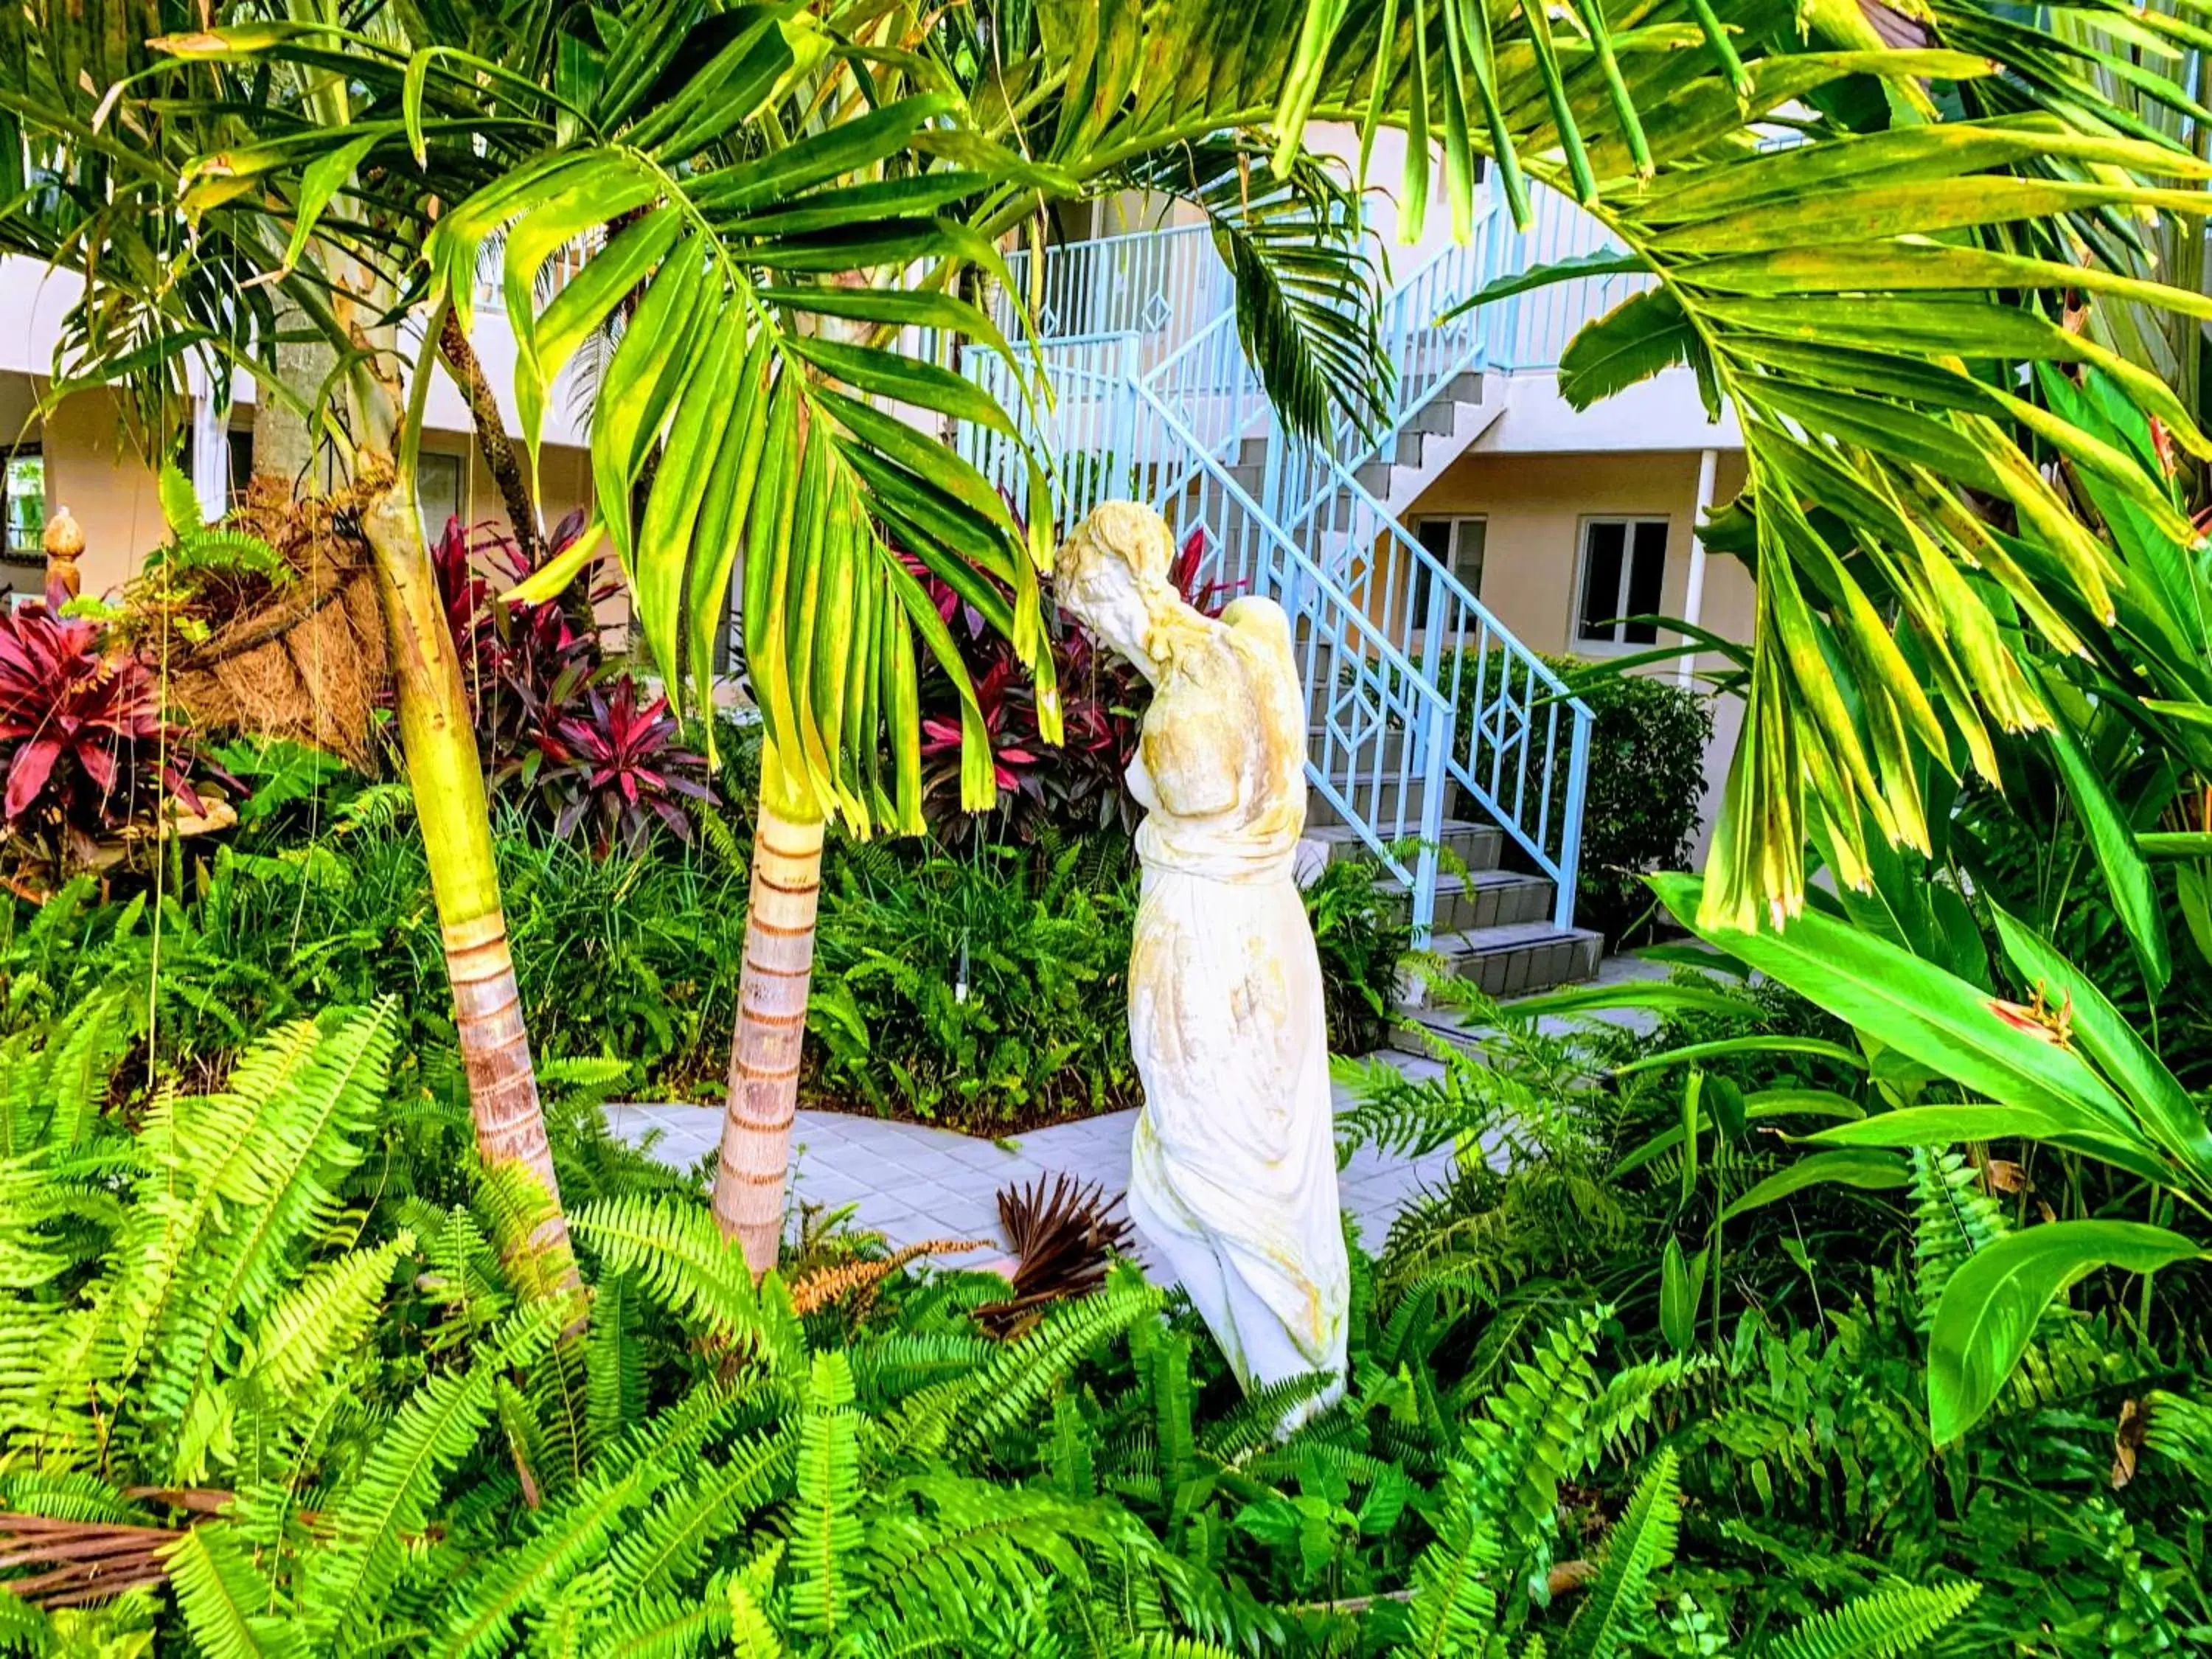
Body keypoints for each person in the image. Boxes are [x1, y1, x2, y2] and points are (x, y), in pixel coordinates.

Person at [1054, 501, 1348, 1430]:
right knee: (1205, 1184)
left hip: (1210, 953)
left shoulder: (1186, 711)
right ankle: (1291, 1393)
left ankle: (1294, 1418)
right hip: (1269, 935)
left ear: (1115, 593)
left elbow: (1193, 776)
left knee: (1219, 1189)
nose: (1100, 640)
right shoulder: (1257, 632)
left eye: (1091, 616)